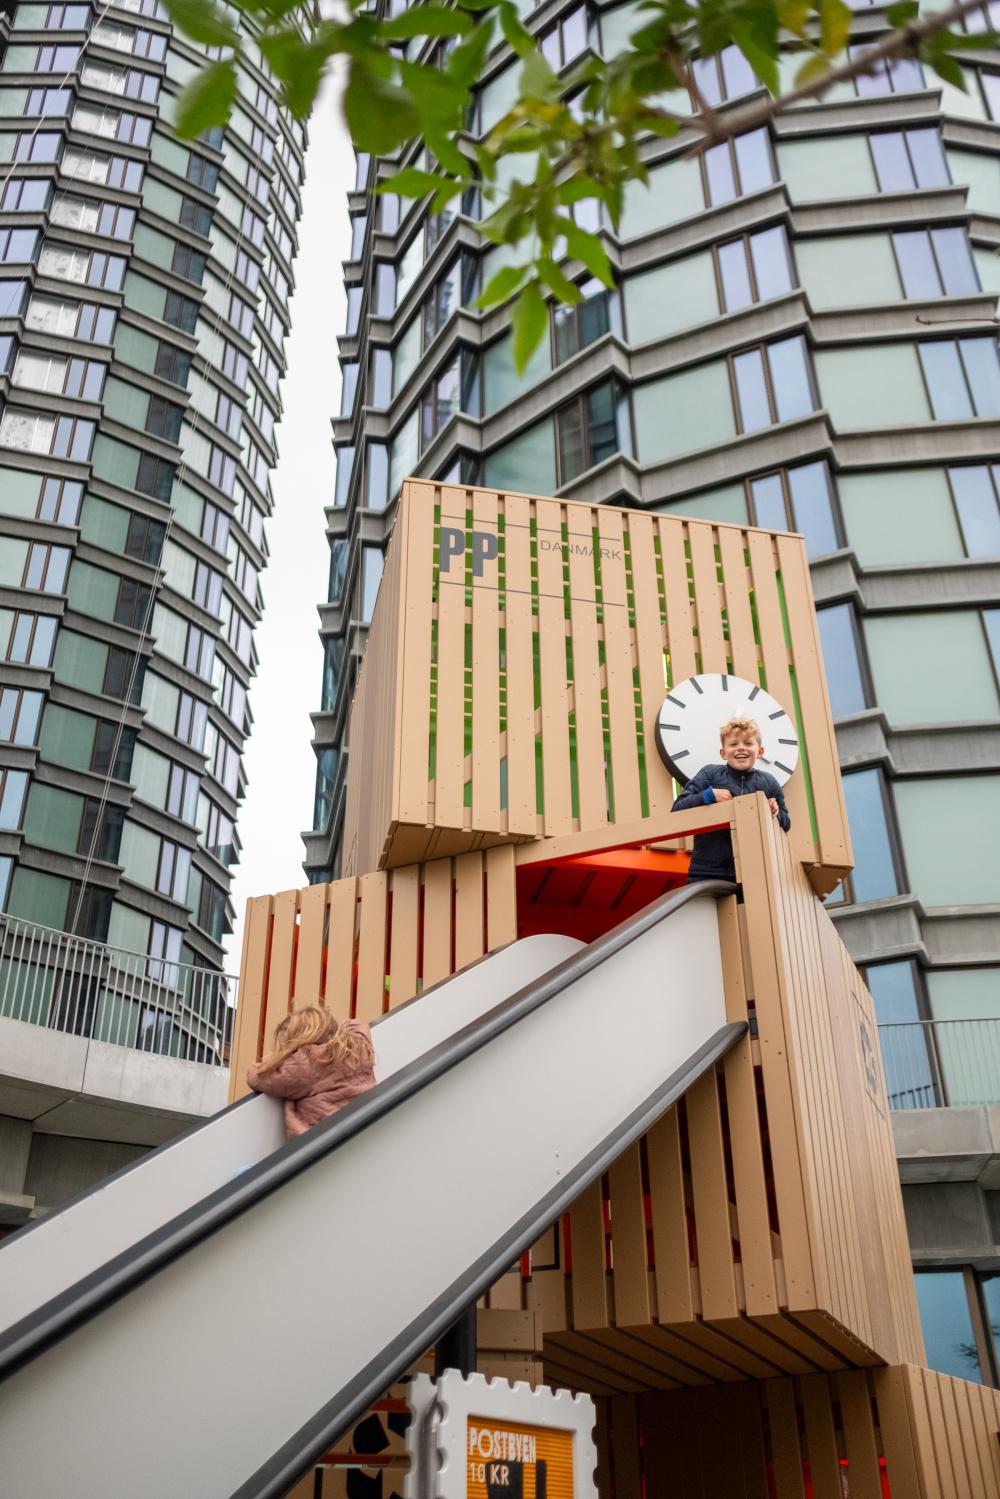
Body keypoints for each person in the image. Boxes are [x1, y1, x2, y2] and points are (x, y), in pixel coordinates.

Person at [671, 715, 790, 887]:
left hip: (754, 872)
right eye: (733, 744)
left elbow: (786, 824)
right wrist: (708, 796)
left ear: (760, 751)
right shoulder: (710, 774)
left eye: (748, 743)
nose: (740, 748)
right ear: (723, 753)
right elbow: (677, 809)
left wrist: (775, 812)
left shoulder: (769, 782)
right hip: (707, 870)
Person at [247, 1005, 376, 1141]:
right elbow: (362, 1030)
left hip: (321, 1144)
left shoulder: (307, 1060)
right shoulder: (359, 1050)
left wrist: (253, 1068)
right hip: (364, 1132)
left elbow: (258, 1078)